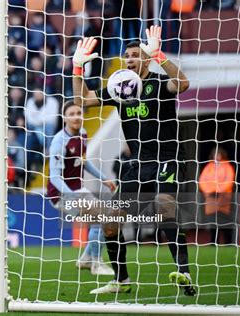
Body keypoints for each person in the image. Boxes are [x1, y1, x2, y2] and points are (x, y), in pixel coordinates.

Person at [72, 26, 196, 295]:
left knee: (165, 206)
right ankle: (121, 280)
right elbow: (82, 99)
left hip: (167, 158)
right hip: (138, 164)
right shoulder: (120, 88)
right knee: (110, 221)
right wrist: (77, 68)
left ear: (147, 58)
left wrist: (160, 55)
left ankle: (184, 273)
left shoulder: (158, 83)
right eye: (127, 55)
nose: (129, 60)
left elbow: (184, 84)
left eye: (136, 55)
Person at [47, 101, 115, 276]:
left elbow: (84, 162)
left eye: (79, 112)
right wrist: (72, 196)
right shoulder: (59, 142)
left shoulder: (83, 134)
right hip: (61, 194)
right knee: (102, 219)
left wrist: (103, 178)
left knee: (103, 218)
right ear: (64, 118)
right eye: (71, 114)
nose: (76, 116)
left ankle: (86, 259)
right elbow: (54, 177)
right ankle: (96, 264)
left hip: (78, 190)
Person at [199, 147, 236, 244]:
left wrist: (219, 191)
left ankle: (228, 242)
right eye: (215, 154)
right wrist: (210, 191)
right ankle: (213, 242)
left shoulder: (227, 166)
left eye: (218, 154)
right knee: (212, 222)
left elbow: (229, 181)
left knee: (225, 221)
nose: (217, 156)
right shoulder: (209, 167)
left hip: (224, 199)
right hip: (211, 199)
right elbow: (202, 181)